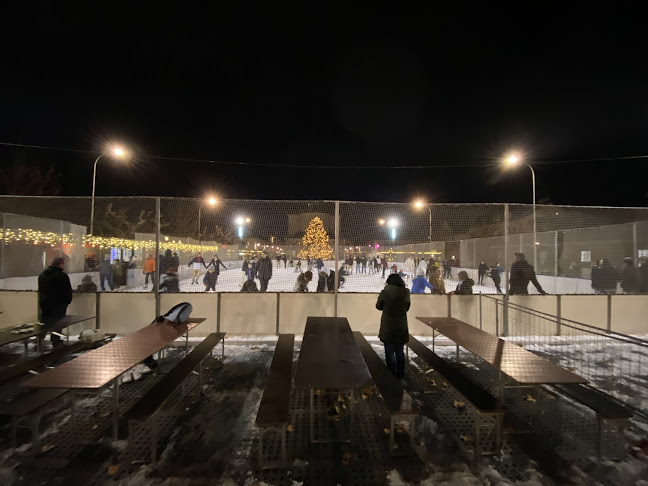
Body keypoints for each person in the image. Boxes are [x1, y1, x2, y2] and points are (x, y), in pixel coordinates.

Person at [376, 273, 410, 379]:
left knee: (389, 351)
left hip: (388, 326)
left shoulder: (385, 292)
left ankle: (390, 375)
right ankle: (400, 374)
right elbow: (407, 307)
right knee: (400, 351)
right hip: (401, 326)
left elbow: (378, 306)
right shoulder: (406, 292)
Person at [38, 257, 72, 347]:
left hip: (45, 304)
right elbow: (67, 291)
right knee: (57, 324)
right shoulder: (62, 276)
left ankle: (39, 340)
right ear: (60, 264)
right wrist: (67, 301)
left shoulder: (43, 275)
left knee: (45, 324)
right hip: (58, 305)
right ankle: (56, 342)